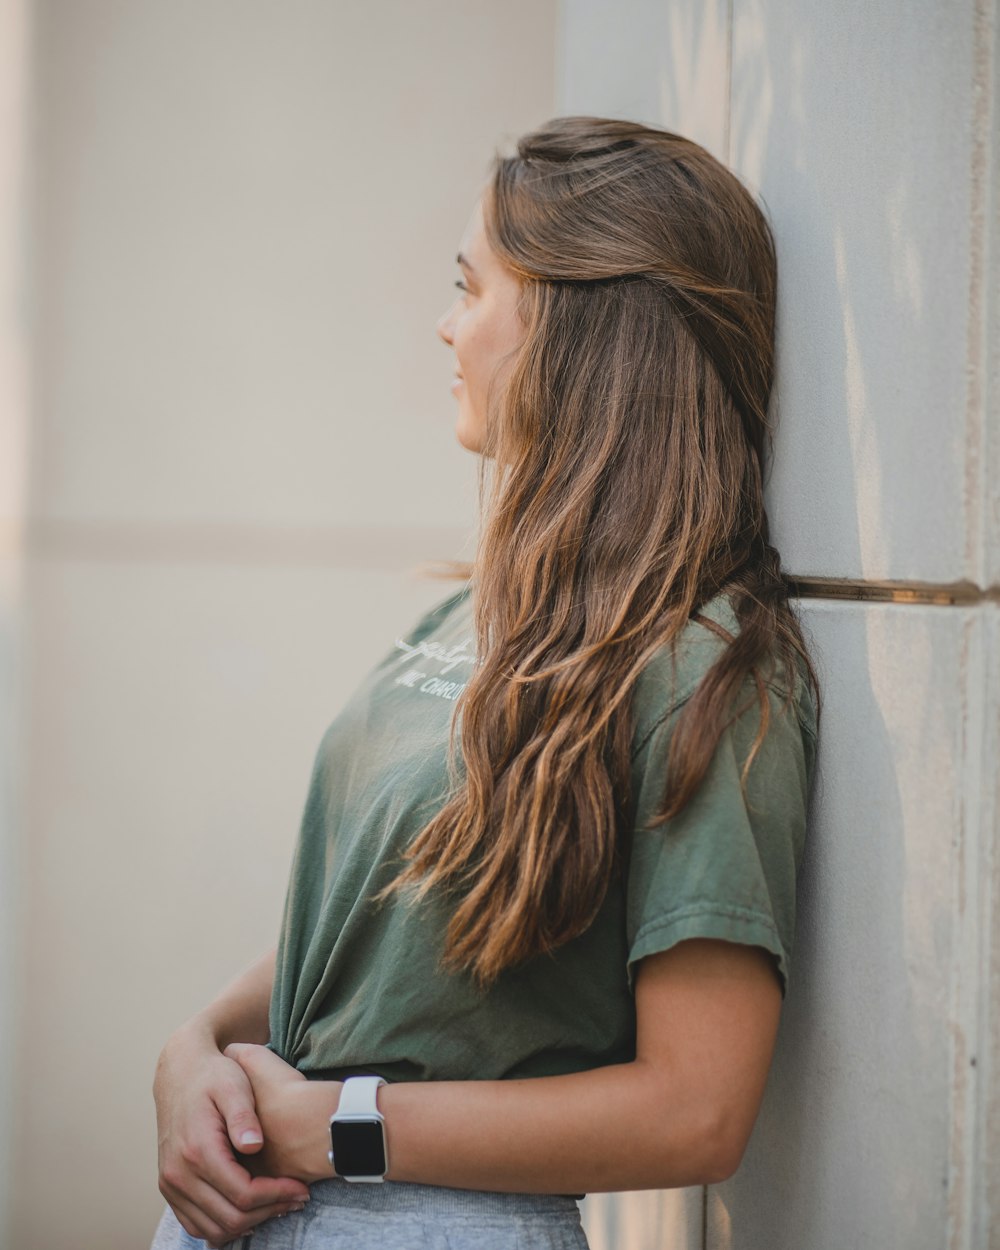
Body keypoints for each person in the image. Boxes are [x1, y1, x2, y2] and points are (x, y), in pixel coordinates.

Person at [150, 115, 820, 1250]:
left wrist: (340, 1124)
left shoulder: (703, 672)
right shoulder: (477, 614)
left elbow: (697, 1108)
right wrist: (193, 1050)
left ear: (572, 325)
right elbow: (391, 909)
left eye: (471, 288)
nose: (447, 326)